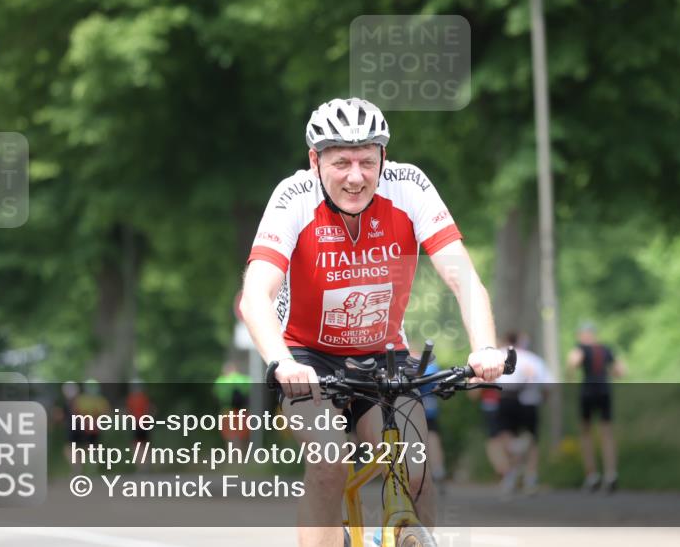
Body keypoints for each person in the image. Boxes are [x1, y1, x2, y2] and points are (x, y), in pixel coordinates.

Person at [240, 97, 506, 547]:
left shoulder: (410, 187)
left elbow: (464, 280)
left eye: (367, 160)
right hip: (305, 356)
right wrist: (282, 363)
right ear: (314, 160)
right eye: (341, 162)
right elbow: (255, 296)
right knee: (330, 461)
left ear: (384, 157)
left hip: (383, 357)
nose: (356, 176)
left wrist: (483, 347)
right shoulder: (293, 197)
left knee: (416, 468)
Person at [567, 321, 624, 493]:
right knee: (607, 433)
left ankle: (592, 475)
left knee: (586, 433)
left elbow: (573, 363)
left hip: (588, 392)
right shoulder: (606, 349)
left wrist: (569, 375)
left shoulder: (580, 348)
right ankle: (611, 473)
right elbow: (621, 371)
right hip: (605, 390)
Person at [496, 331, 552, 495]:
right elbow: (548, 385)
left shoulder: (498, 356)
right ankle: (530, 476)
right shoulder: (533, 359)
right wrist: (542, 398)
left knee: (507, 437)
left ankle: (512, 473)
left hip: (506, 400)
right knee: (531, 440)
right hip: (530, 402)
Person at [412, 346, 446, 485]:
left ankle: (418, 470)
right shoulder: (431, 365)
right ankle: (438, 469)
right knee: (432, 437)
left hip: (411, 407)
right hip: (430, 407)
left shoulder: (404, 364)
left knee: (413, 439)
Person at [214, 361, 252, 447]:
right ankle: (241, 454)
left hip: (227, 410)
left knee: (230, 434)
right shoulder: (242, 378)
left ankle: (233, 454)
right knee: (242, 434)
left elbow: (218, 396)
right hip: (242, 410)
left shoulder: (220, 381)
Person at [125, 378, 155, 470]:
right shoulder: (144, 397)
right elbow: (152, 410)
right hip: (144, 423)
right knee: (144, 445)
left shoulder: (131, 399)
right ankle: (145, 465)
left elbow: (128, 413)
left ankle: (141, 466)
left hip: (137, 424)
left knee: (137, 445)